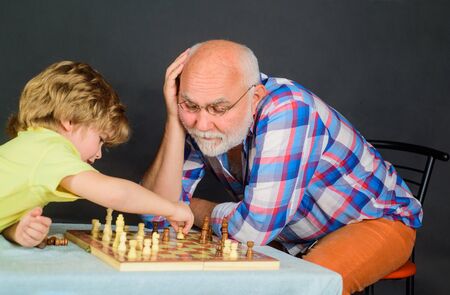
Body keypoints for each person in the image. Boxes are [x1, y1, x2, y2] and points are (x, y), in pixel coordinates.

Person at [142, 40, 422, 294]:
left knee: (304, 289)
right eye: (190, 105)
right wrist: (174, 120)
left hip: (374, 220)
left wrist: (190, 207)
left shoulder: (287, 109)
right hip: (291, 235)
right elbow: (155, 213)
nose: (201, 125)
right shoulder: (199, 116)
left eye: (219, 109)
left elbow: (253, 229)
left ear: (256, 97)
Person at [0, 61, 194, 248]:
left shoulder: (32, 150)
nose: (99, 154)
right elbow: (117, 194)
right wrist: (172, 208)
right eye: (100, 139)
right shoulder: (50, 150)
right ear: (70, 120)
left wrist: (17, 231)